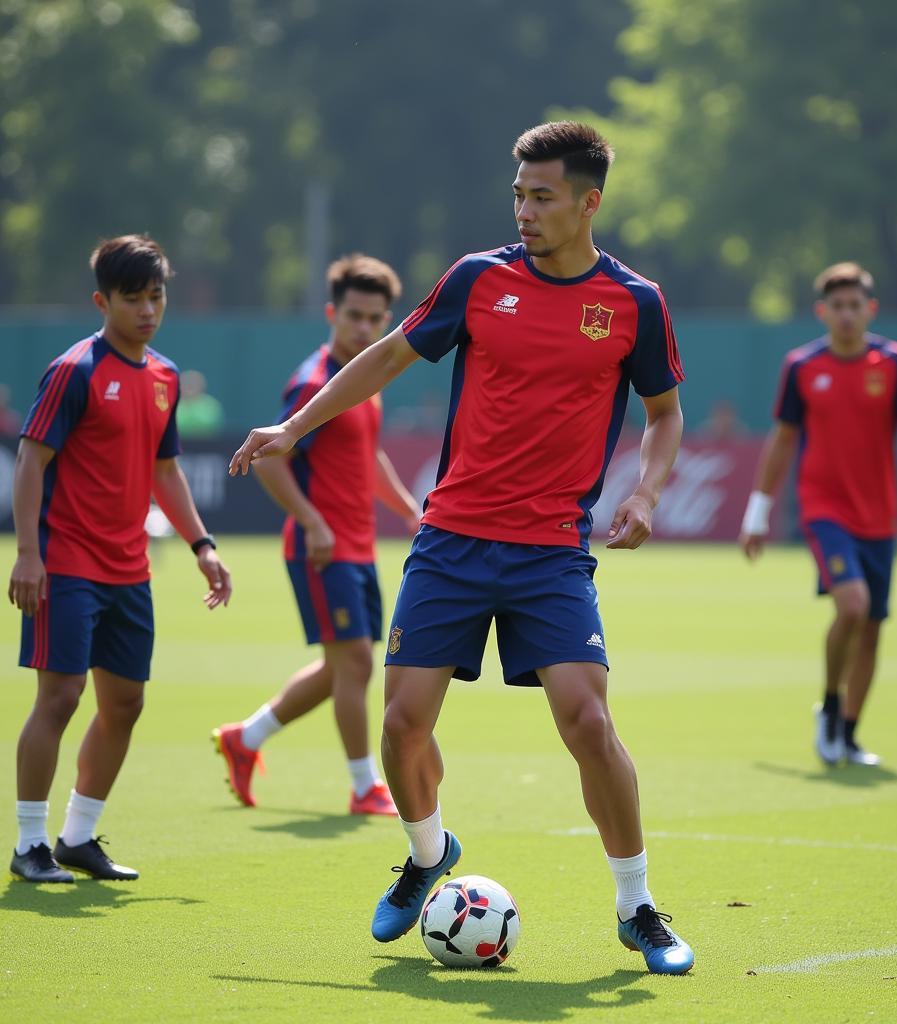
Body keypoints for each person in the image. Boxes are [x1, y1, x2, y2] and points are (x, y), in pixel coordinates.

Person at [230, 122, 694, 974]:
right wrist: (295, 426)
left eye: (542, 196)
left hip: (551, 551)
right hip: (450, 541)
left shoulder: (637, 303)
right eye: (518, 194)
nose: (523, 210)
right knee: (403, 724)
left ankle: (638, 909)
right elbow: (386, 357)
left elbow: (664, 416)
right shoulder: (479, 280)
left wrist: (645, 492)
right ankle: (428, 852)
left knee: (589, 723)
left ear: (589, 201)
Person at [8, 234, 232, 884]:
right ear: (101, 300)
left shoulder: (164, 376)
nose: (147, 310)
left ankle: (77, 837)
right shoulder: (74, 370)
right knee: (60, 697)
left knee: (126, 703)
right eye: (132, 298)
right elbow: (30, 460)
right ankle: (29, 845)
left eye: (156, 296)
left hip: (131, 569)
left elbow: (166, 472)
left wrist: (202, 545)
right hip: (68, 563)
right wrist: (29, 554)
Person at [213, 254, 421, 815]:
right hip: (321, 548)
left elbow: (367, 453)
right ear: (331, 312)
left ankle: (245, 738)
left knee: (342, 668)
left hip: (354, 546)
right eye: (353, 315)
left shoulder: (366, 379)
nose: (363, 328)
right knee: (354, 664)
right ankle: (364, 787)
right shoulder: (312, 381)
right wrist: (312, 521)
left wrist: (405, 508)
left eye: (374, 319)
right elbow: (269, 458)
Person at [739, 262, 897, 766]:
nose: (847, 314)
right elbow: (783, 439)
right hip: (824, 508)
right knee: (851, 606)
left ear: (870, 309)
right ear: (822, 312)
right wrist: (757, 511)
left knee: (872, 625)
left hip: (879, 513)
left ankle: (849, 735)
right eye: (838, 306)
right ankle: (830, 708)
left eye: (856, 305)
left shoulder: (894, 362)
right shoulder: (802, 367)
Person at [176, 369, 224, 438]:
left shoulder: (211, 405)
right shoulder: (173, 404)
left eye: (193, 385)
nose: (189, 388)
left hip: (206, 445)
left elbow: (212, 426)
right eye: (186, 384)